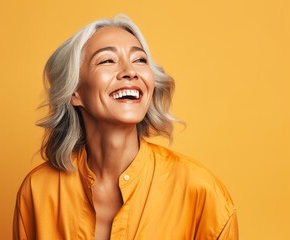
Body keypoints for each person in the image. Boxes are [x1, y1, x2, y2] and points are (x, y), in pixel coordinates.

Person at [13, 14, 239, 240]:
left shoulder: (200, 191)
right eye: (107, 60)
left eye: (140, 60)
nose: (130, 71)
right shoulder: (38, 191)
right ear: (75, 92)